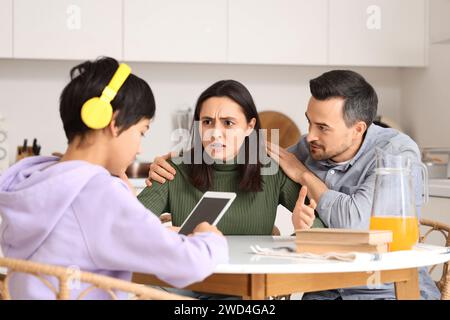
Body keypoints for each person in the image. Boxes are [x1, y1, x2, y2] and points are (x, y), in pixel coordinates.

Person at [148, 70, 441, 300]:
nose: (308, 136)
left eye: (322, 127)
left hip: (384, 286)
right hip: (327, 289)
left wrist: (303, 186)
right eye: (206, 122)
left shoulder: (396, 153)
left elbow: (352, 222)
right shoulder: (308, 148)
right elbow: (244, 155)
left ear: (358, 129)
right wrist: (178, 157)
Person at [0, 57, 228, 300]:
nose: (139, 149)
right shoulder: (97, 193)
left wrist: (138, 215)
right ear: (114, 122)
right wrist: (209, 236)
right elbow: (188, 265)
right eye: (141, 132)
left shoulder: (34, 179)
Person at [138, 79, 322, 236]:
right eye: (207, 122)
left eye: (228, 123)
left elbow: (322, 225)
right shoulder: (172, 169)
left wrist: (303, 229)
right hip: (194, 275)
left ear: (250, 126)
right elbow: (127, 226)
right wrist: (171, 233)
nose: (215, 134)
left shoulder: (271, 169)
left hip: (253, 274)